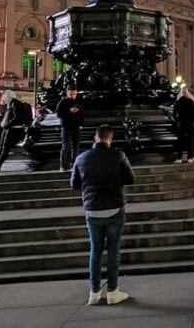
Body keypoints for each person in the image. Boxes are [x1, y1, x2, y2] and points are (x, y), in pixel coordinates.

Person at [71, 125, 136, 305]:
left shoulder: (81, 158)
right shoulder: (118, 156)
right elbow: (131, 178)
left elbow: (74, 184)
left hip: (92, 209)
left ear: (95, 138)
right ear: (110, 139)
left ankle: (94, 292)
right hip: (115, 207)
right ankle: (113, 291)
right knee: (113, 251)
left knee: (95, 250)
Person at [0, 90, 32, 172]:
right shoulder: (11, 104)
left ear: (8, 96)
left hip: (12, 130)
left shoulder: (15, 103)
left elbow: (17, 117)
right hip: (8, 130)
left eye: (4, 96)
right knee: (2, 148)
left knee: (4, 148)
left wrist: (8, 124)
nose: (3, 98)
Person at [56, 86, 85, 172]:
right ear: (67, 93)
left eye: (75, 94)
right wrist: (69, 111)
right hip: (66, 128)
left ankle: (74, 165)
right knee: (66, 146)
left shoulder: (78, 102)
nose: (73, 96)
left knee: (75, 147)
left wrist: (81, 124)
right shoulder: (62, 102)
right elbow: (59, 114)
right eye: (71, 94)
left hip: (77, 127)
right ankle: (64, 166)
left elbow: (83, 115)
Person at [173, 86, 194, 163]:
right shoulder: (192, 101)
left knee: (180, 141)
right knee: (190, 141)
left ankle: (179, 158)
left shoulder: (179, 101)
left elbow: (174, 114)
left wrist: (177, 121)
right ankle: (190, 157)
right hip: (191, 124)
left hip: (182, 124)